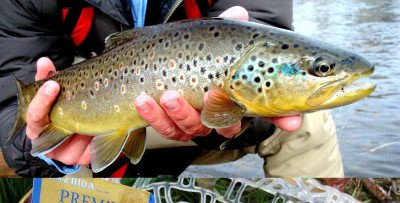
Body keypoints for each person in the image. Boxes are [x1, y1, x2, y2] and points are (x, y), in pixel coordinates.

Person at [0, 0, 344, 177]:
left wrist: (227, 120)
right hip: (91, 122)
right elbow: (6, 103)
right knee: (43, 156)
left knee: (307, 121)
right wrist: (40, 149)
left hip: (204, 117)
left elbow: (266, 53)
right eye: (324, 68)